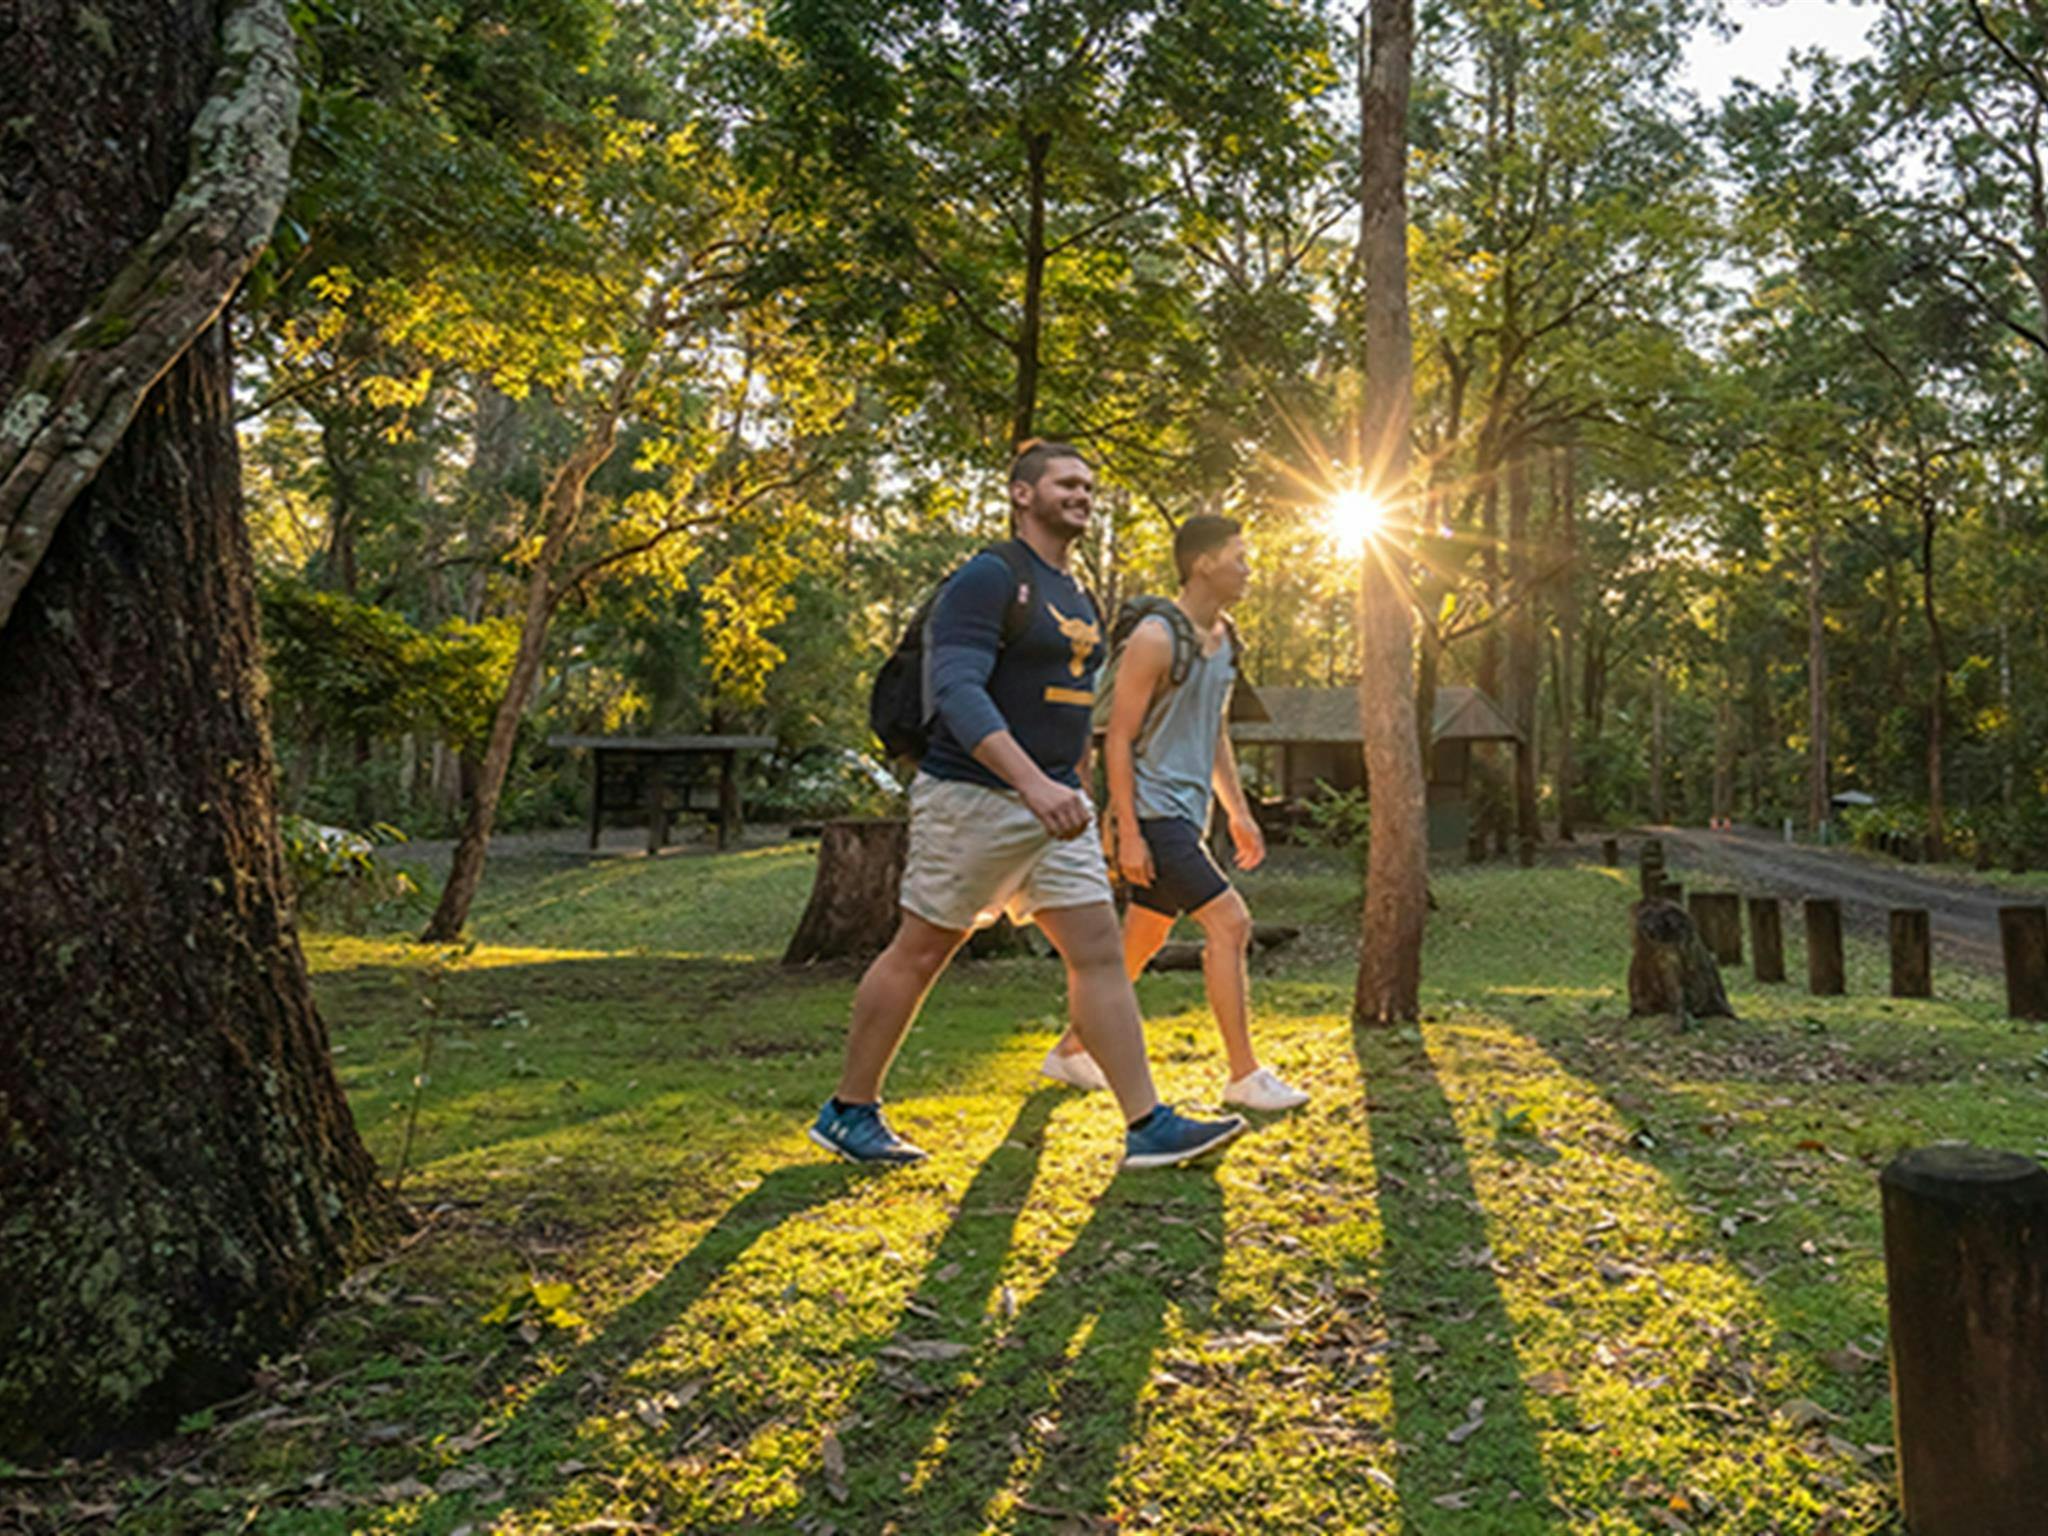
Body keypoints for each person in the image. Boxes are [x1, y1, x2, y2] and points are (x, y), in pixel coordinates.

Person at [810, 443, 1249, 1169]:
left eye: (1088, 485)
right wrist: (1032, 783)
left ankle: (1147, 1125)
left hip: (1057, 808)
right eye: (1065, 483)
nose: (1082, 494)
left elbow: (1074, 710)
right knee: (923, 949)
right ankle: (850, 1111)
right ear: (1021, 494)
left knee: (1100, 952)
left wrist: (1073, 785)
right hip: (973, 797)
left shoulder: (1079, 597)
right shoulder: (990, 578)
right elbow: (957, 691)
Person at [1042, 514, 1310, 1112]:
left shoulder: (1225, 639)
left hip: (1188, 815)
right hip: (1154, 813)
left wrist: (1236, 811)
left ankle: (1070, 1051)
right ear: (1203, 563)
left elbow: (1212, 728)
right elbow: (1117, 737)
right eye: (1239, 556)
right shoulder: (1156, 637)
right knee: (1231, 924)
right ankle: (1244, 1074)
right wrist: (1126, 830)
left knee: (1141, 938)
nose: (1249, 567)